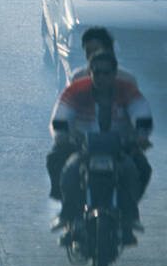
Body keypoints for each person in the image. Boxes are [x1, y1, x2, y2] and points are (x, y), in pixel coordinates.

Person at [49, 50, 153, 245]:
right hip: (84, 148)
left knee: (137, 170)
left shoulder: (127, 90)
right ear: (90, 73)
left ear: (114, 74)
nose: (101, 77)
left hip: (120, 149)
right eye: (97, 72)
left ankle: (129, 217)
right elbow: (62, 114)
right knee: (70, 173)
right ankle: (69, 216)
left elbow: (141, 112)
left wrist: (141, 135)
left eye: (106, 73)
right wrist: (62, 136)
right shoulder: (76, 90)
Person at [45, 28, 146, 200]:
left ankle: (129, 211)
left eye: (96, 51)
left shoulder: (127, 79)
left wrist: (139, 136)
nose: (91, 56)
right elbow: (65, 111)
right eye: (87, 52)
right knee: (55, 159)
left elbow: (137, 113)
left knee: (142, 169)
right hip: (83, 143)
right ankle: (67, 208)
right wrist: (62, 135)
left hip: (119, 144)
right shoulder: (78, 77)